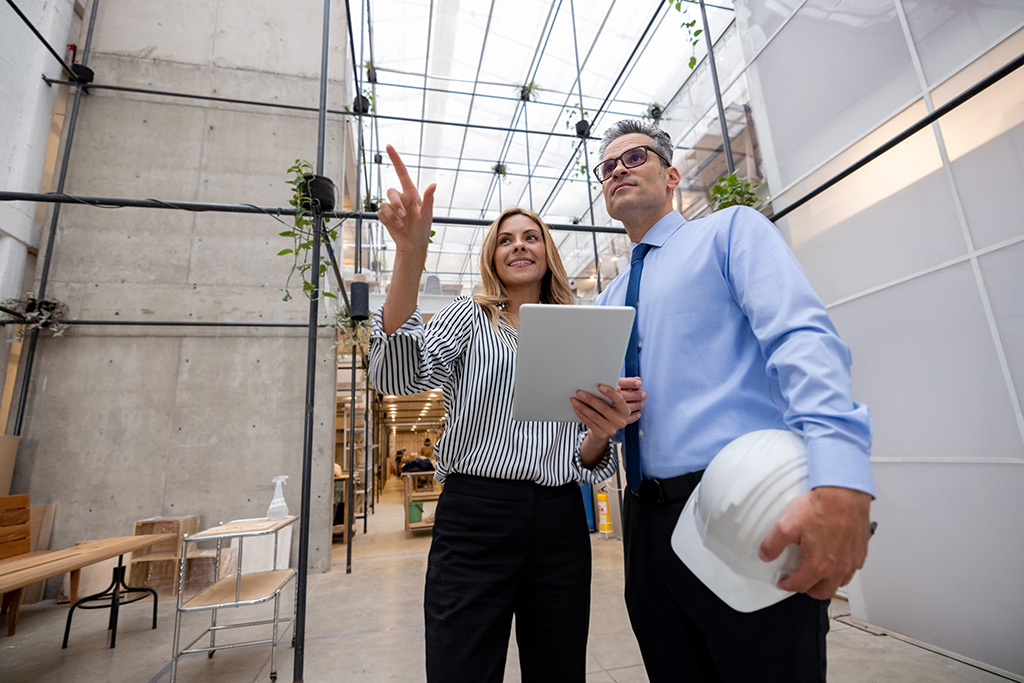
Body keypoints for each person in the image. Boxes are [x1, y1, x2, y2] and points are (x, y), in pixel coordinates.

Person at [593, 119, 874, 682]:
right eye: (607, 168)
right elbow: (603, 424)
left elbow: (801, 338)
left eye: (635, 158)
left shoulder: (730, 233)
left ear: (671, 176)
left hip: (740, 503)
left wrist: (841, 477)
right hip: (645, 528)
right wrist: (603, 423)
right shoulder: (606, 300)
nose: (618, 170)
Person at [368, 145, 640, 683]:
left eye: (531, 236)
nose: (519, 245)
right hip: (476, 516)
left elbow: (588, 453)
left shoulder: (580, 327)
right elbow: (395, 376)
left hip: (561, 518)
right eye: (506, 239)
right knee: (460, 665)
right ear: (493, 256)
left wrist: (599, 436)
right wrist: (410, 256)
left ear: (548, 253)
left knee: (559, 668)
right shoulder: (468, 318)